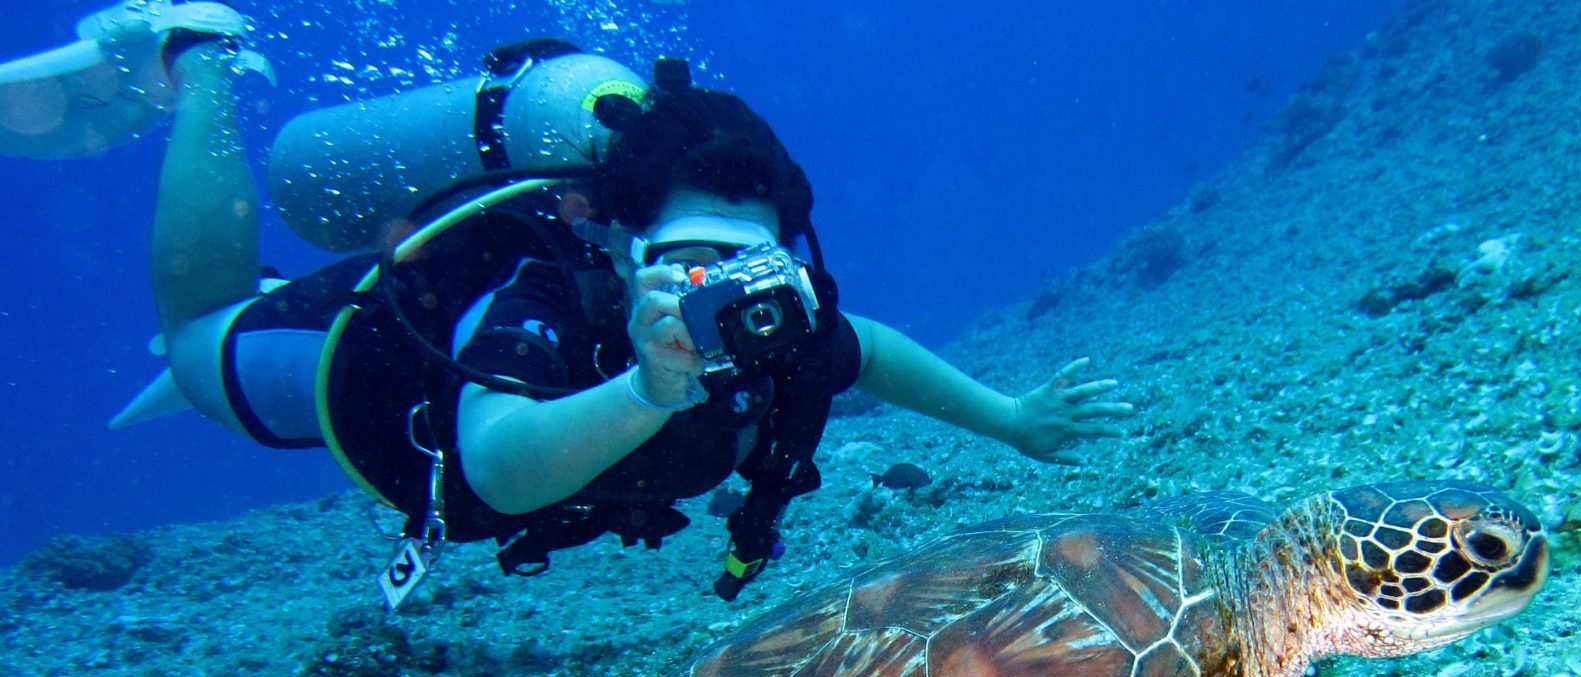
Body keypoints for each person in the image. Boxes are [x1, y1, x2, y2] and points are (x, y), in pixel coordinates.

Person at [22, 5, 1130, 597]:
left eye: (753, 263)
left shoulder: (767, 321)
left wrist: (1014, 421)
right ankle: (197, 57)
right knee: (192, 343)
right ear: (615, 237)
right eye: (688, 259)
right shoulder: (546, 290)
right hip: (353, 366)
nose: (721, 293)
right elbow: (499, 465)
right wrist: (649, 391)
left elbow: (870, 350)